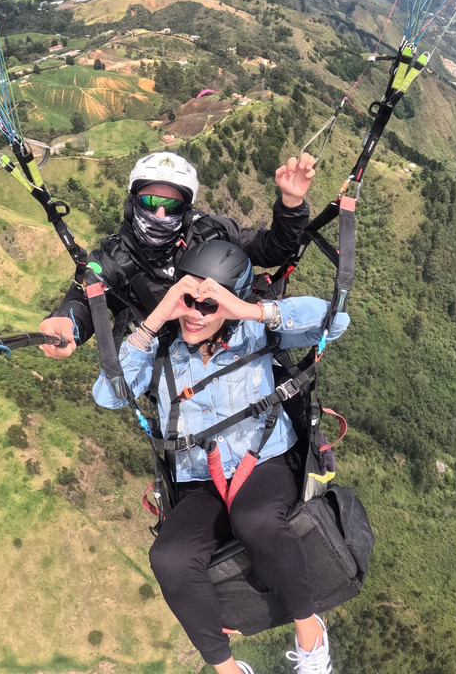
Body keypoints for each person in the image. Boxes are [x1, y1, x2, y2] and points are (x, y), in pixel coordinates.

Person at [92, 240, 348, 674]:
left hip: (265, 460)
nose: (195, 313)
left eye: (208, 305)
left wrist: (249, 310)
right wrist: (158, 317)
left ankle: (310, 635)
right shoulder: (164, 352)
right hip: (201, 482)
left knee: (255, 519)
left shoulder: (256, 332)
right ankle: (226, 668)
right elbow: (108, 395)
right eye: (187, 300)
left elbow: (335, 321)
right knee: (167, 558)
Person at [39, 151, 316, 359]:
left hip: (235, 346)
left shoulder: (211, 232)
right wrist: (67, 321)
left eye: (171, 206)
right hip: (173, 368)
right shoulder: (114, 259)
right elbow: (84, 300)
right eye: (150, 202)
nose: (160, 214)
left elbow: (273, 250)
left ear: (185, 213)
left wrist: (290, 203)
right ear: (131, 205)